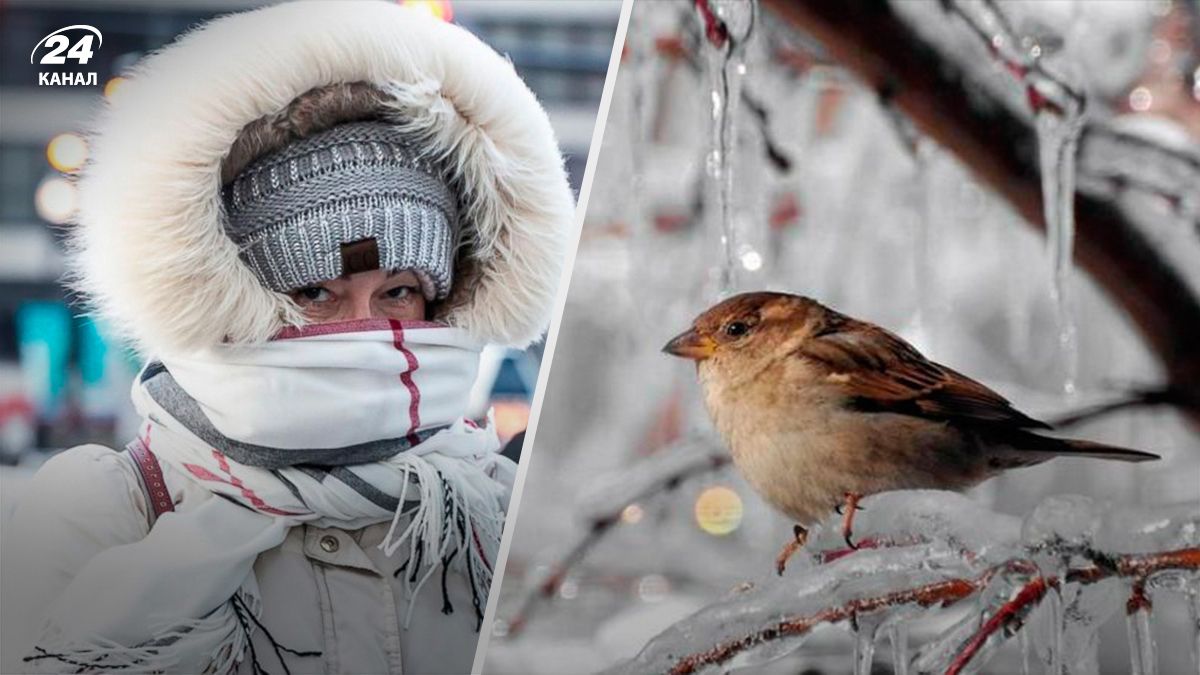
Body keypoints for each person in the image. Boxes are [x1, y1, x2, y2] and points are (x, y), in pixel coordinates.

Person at [0, 2, 574, 673]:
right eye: (315, 293)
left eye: (397, 292)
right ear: (234, 301)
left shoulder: (495, 509)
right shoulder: (109, 510)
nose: (365, 326)